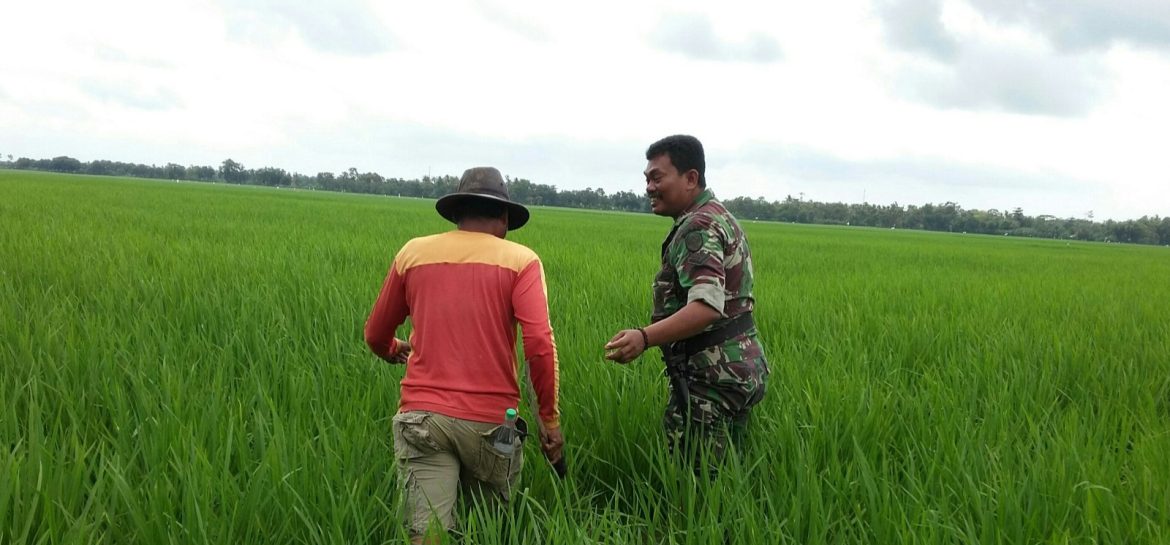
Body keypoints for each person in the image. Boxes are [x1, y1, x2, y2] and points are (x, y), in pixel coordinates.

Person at [364, 167, 564, 544]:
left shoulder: (413, 253)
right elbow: (539, 344)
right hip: (493, 425)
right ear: (504, 218)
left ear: (457, 214)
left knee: (428, 536)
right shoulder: (522, 260)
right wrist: (549, 420)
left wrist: (393, 350)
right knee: (485, 532)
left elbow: (375, 334)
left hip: (424, 420)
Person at [604, 135, 768, 476]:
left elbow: (707, 306)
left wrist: (644, 337)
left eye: (657, 177)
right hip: (738, 367)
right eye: (647, 178)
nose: (649, 187)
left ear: (691, 178)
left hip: (712, 377)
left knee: (694, 483)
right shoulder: (720, 216)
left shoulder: (698, 226)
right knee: (728, 477)